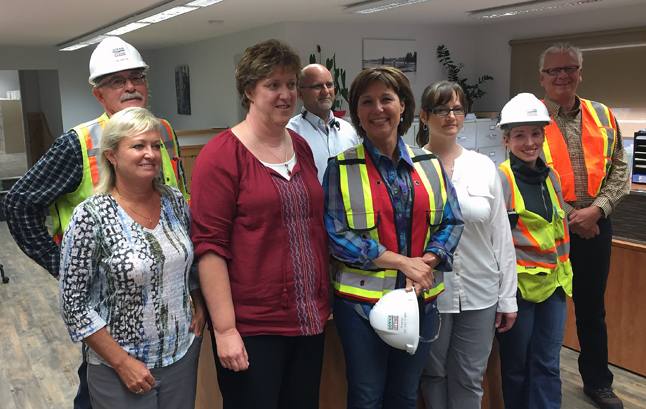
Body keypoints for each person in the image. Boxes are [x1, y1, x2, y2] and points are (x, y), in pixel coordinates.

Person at [1, 36, 188, 409]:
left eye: (137, 77)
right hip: (104, 307)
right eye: (117, 81)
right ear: (99, 95)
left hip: (163, 303)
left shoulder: (163, 132)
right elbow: (19, 203)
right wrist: (59, 265)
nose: (131, 86)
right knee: (103, 385)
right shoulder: (80, 143)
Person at [190, 39, 330, 409]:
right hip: (253, 329)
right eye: (273, 85)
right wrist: (225, 330)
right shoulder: (220, 155)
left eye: (289, 85)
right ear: (249, 91)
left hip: (308, 320)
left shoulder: (300, 146)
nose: (285, 95)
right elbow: (209, 249)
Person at [324, 67, 464, 409]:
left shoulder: (429, 164)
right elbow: (335, 234)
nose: (377, 109)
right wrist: (402, 262)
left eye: (387, 99)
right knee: (367, 395)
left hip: (420, 303)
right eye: (366, 101)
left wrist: (426, 263)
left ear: (403, 106)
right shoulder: (340, 168)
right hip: (361, 308)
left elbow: (451, 221)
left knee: (405, 393)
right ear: (357, 112)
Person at [59, 107, 206, 409]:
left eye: (155, 145)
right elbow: (73, 305)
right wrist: (122, 362)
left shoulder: (173, 201)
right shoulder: (91, 216)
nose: (150, 154)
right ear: (112, 155)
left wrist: (199, 304)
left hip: (180, 355)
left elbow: (188, 262)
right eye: (138, 146)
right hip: (120, 369)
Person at [538, 42, 630, 409]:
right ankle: (543, 379)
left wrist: (597, 211)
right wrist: (571, 218)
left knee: (592, 307)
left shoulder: (603, 113)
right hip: (548, 228)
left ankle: (598, 382)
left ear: (580, 72)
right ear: (542, 78)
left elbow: (619, 167)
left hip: (596, 223)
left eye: (570, 68)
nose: (562, 75)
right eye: (554, 70)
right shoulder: (530, 116)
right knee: (547, 306)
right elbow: (525, 173)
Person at [417, 81, 517, 409]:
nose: (451, 116)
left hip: (480, 293)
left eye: (458, 108)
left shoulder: (483, 167)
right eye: (441, 109)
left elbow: (501, 237)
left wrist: (507, 298)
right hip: (432, 294)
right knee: (433, 374)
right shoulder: (412, 168)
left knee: (470, 377)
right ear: (424, 116)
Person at [494, 93, 573, 409]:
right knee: (516, 369)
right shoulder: (500, 179)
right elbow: (494, 243)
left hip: (555, 287)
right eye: (520, 135)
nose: (530, 142)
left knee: (547, 364)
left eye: (536, 133)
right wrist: (503, 296)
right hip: (519, 294)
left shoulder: (551, 177)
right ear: (506, 139)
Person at [287, 63, 358, 183]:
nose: (326, 91)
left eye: (329, 85)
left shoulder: (348, 130)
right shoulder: (289, 132)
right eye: (317, 86)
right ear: (300, 94)